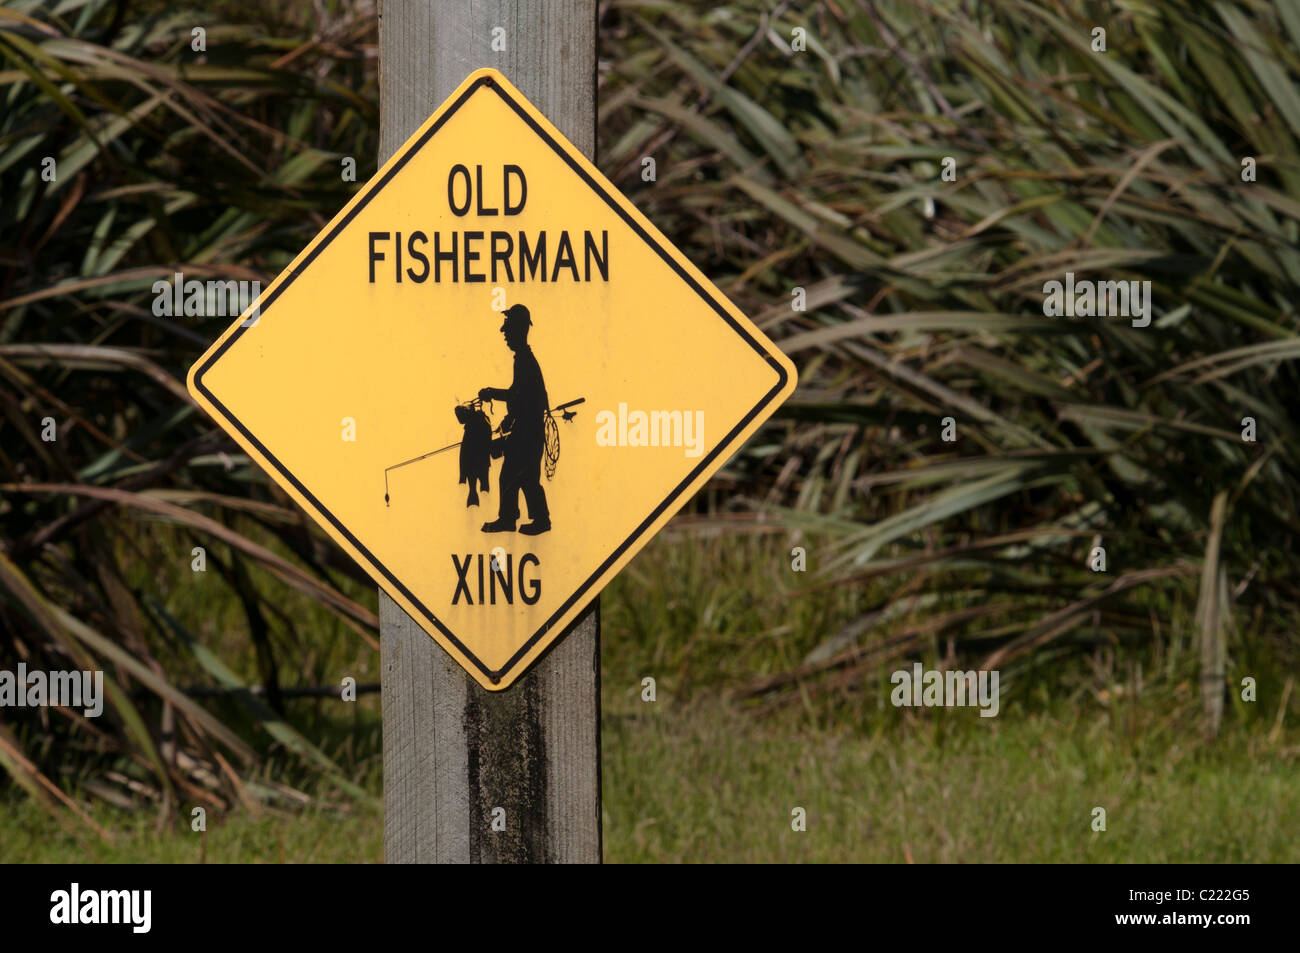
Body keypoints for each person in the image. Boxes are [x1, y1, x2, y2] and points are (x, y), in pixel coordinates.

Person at [478, 304, 550, 535]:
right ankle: (539, 520)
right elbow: (520, 397)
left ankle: (509, 519)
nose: (504, 332)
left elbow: (520, 397)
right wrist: (509, 420)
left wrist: (491, 393)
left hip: (528, 433)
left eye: (507, 328)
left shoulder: (525, 361)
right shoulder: (523, 360)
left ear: (519, 330)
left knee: (510, 475)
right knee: (528, 478)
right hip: (529, 431)